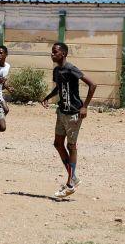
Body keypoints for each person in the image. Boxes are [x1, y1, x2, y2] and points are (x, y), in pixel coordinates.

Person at [41, 42, 96, 199]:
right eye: (52, 52)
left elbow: (93, 85)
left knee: (71, 146)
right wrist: (47, 97)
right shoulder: (57, 70)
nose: (52, 54)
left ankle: (71, 184)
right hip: (61, 112)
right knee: (58, 144)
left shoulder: (71, 68)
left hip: (73, 114)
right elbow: (59, 87)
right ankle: (74, 178)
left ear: (63, 54)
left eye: (55, 52)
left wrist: (84, 107)